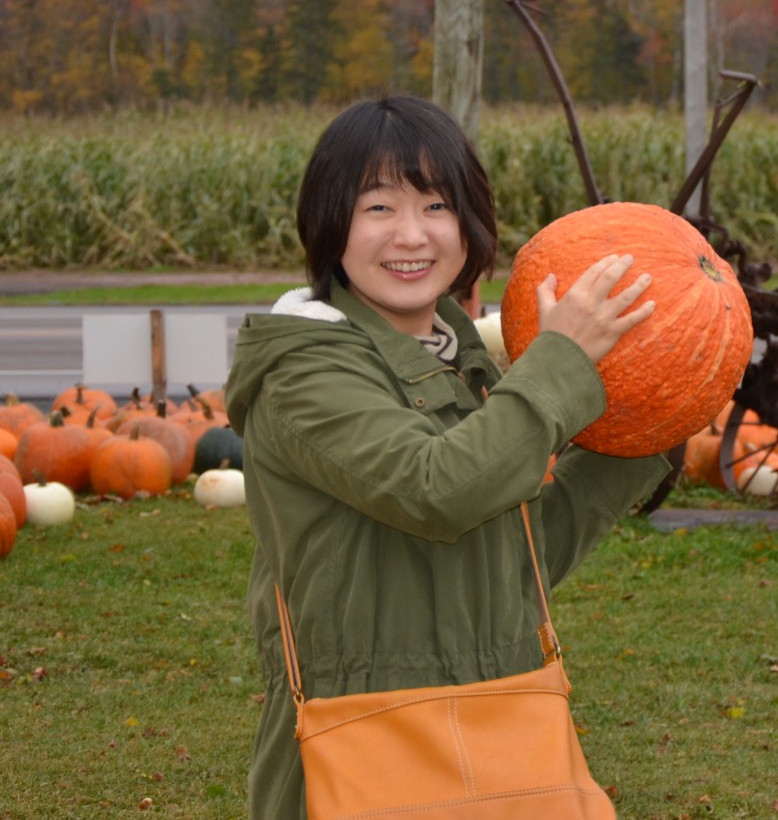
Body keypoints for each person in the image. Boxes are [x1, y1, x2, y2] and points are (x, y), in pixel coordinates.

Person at [225, 94, 671, 818]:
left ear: (470, 225)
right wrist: (559, 361)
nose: (412, 235)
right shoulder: (304, 372)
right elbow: (438, 491)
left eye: (436, 206)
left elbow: (517, 552)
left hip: (502, 728)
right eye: (378, 207)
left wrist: (657, 416)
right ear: (329, 222)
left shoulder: (465, 363)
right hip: (366, 742)